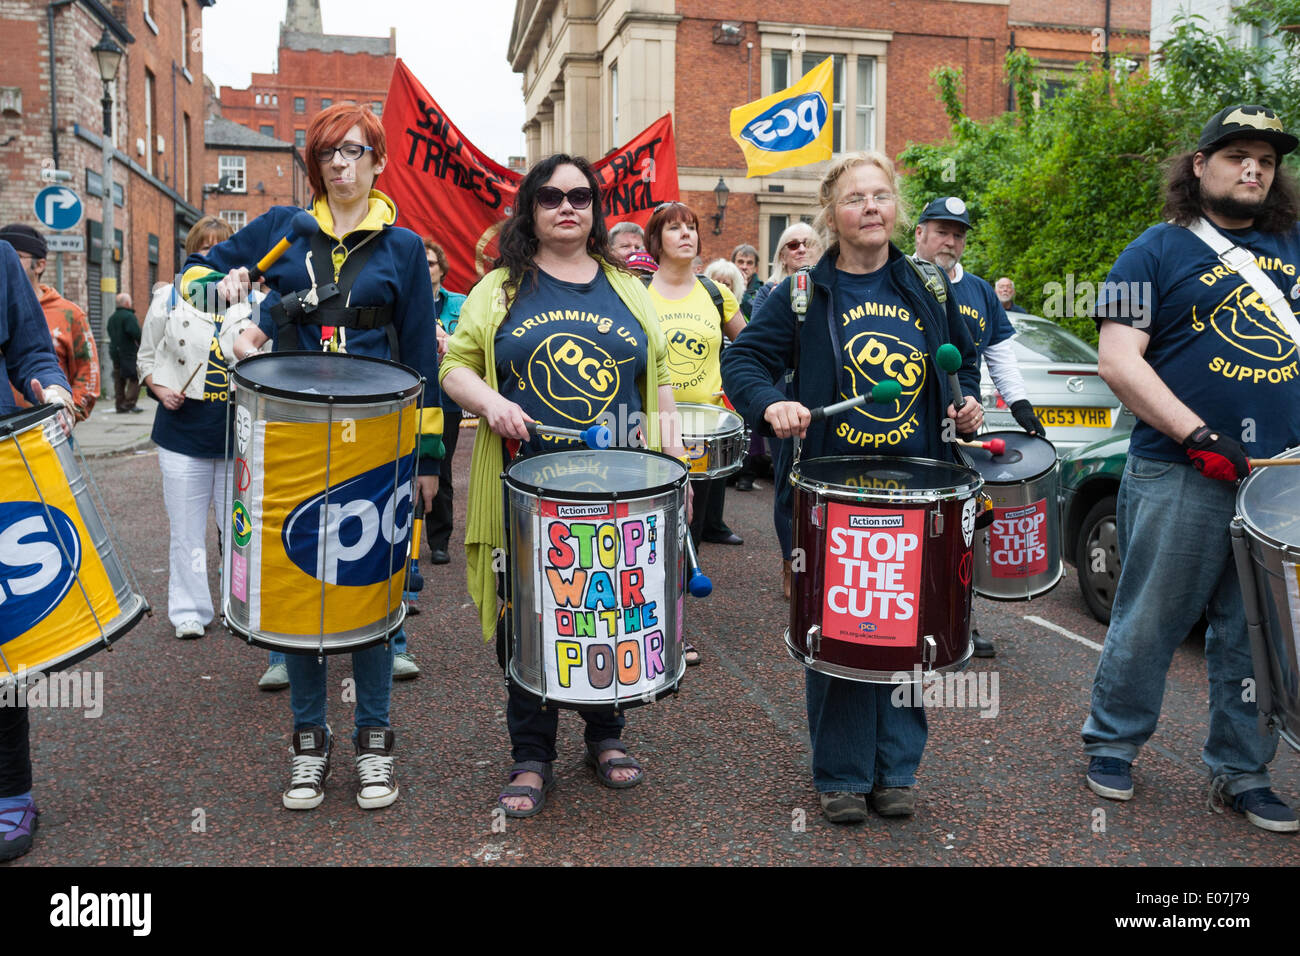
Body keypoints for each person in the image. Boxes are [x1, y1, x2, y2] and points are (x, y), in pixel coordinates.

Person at [721, 151, 982, 824]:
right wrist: (768, 406)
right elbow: (744, 358)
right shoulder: (803, 293)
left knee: (906, 633)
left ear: (896, 206)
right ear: (831, 214)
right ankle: (839, 774)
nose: (870, 207)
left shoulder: (927, 285)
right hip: (832, 496)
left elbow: (960, 361)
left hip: (916, 490)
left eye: (881, 195)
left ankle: (895, 769)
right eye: (854, 198)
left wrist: (966, 402)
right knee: (843, 630)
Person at [196, 102, 442, 811]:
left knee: (368, 596)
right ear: (315, 165)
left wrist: (428, 459)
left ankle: (374, 741)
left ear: (378, 160)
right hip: (293, 434)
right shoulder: (282, 233)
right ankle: (309, 742)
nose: (341, 164)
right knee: (302, 597)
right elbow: (199, 282)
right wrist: (235, 314)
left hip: (377, 442)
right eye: (328, 154)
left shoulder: (402, 248)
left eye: (355, 151)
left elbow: (421, 352)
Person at [440, 153, 687, 818]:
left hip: (619, 491)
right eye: (549, 197)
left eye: (579, 196)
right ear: (530, 209)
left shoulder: (627, 284)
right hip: (526, 491)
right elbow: (455, 366)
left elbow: (657, 372)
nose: (566, 207)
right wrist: (489, 403)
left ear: (595, 209)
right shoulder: (500, 287)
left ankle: (606, 735)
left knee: (607, 611)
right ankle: (532, 754)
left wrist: (673, 460)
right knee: (528, 618)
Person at [1081, 104, 1300, 833]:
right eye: (1238, 155)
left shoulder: (1297, 248)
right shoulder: (1151, 251)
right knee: (1151, 619)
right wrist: (1195, 431)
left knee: (1256, 634)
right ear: (1200, 165)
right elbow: (1117, 360)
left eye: (1266, 161)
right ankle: (1112, 743)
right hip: (1180, 469)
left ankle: (1243, 770)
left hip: (1279, 481)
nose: (1254, 170)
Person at [913, 196, 1046, 658]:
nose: (951, 241)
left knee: (962, 527)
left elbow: (1000, 353)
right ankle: (907, 619)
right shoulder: (899, 280)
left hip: (962, 432)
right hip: (908, 430)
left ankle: (957, 622)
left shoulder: (981, 292)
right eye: (942, 231)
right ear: (920, 234)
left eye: (959, 234)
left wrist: (1022, 402)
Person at [0, 238, 76, 863]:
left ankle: (9, 792)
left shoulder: (2, 260)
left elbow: (29, 349)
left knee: (1, 643)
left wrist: (49, 388)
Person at [647, 203, 748, 666]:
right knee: (655, 531)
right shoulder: (637, 292)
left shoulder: (715, 294)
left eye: (691, 227)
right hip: (651, 428)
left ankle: (677, 626)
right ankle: (654, 627)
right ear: (656, 240)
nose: (686, 234)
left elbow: (749, 351)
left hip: (705, 430)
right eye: (674, 228)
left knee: (691, 530)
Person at [750, 222, 826, 588]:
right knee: (787, 486)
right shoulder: (771, 293)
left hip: (825, 405)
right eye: (791, 244)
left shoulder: (831, 289)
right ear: (781, 254)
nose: (800, 249)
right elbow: (761, 348)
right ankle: (790, 566)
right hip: (783, 401)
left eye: (807, 243)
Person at [0, 224, 98, 422]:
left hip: (44, 427)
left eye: (20, 257)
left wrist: (66, 408)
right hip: (16, 425)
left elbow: (87, 374)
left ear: (40, 265)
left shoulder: (70, 314)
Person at [106, 293, 142, 413]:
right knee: (135, 377)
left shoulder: (112, 318)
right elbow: (135, 333)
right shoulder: (129, 316)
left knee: (119, 379)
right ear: (127, 303)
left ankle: (119, 404)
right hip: (128, 352)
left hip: (115, 353)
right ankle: (129, 404)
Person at [731, 242, 762, 318]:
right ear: (732, 264)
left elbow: (756, 314)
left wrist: (743, 291)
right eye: (740, 262)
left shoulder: (762, 290)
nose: (744, 267)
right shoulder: (724, 285)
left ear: (755, 268)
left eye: (749, 263)